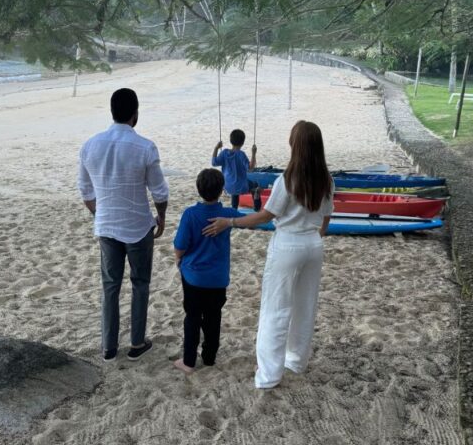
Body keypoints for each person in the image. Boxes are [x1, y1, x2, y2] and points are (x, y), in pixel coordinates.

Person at [204, 120, 333, 389]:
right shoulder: (327, 179)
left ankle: (268, 375)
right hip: (313, 246)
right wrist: (313, 238)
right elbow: (326, 220)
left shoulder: (286, 180)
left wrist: (231, 222)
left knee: (275, 309)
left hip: (288, 245)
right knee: (304, 306)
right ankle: (295, 360)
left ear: (294, 145)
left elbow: (266, 215)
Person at [78, 88, 169, 362]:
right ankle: (137, 342)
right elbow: (160, 192)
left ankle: (109, 347)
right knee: (140, 283)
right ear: (135, 114)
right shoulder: (145, 147)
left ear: (112, 111)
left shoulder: (90, 145)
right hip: (139, 227)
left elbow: (85, 191)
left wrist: (101, 212)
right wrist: (161, 216)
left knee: (110, 286)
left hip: (106, 226)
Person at [172, 169, 240, 374]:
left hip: (194, 277)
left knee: (192, 317)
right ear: (221, 190)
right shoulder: (228, 214)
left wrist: (178, 258)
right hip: (217, 278)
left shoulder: (191, 214)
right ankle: (209, 358)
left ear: (198, 189)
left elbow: (180, 245)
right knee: (213, 317)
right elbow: (255, 219)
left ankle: (189, 362)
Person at [211, 129, 258, 209]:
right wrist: (253, 153)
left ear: (230, 141)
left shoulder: (224, 153)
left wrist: (216, 148)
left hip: (227, 186)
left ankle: (234, 208)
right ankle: (257, 207)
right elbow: (251, 168)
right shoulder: (241, 154)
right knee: (255, 186)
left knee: (234, 190)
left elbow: (214, 162)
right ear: (242, 143)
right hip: (242, 187)